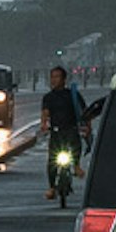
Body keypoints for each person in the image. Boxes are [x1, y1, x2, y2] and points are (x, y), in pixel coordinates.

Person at [40, 67, 86, 200]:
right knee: (52, 160)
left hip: (71, 129)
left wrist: (86, 126)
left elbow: (83, 111)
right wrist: (44, 125)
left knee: (76, 143)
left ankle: (76, 165)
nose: (54, 80)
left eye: (57, 77)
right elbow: (45, 113)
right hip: (56, 131)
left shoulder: (72, 94)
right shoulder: (48, 97)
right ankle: (52, 187)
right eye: (52, 77)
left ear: (64, 79)